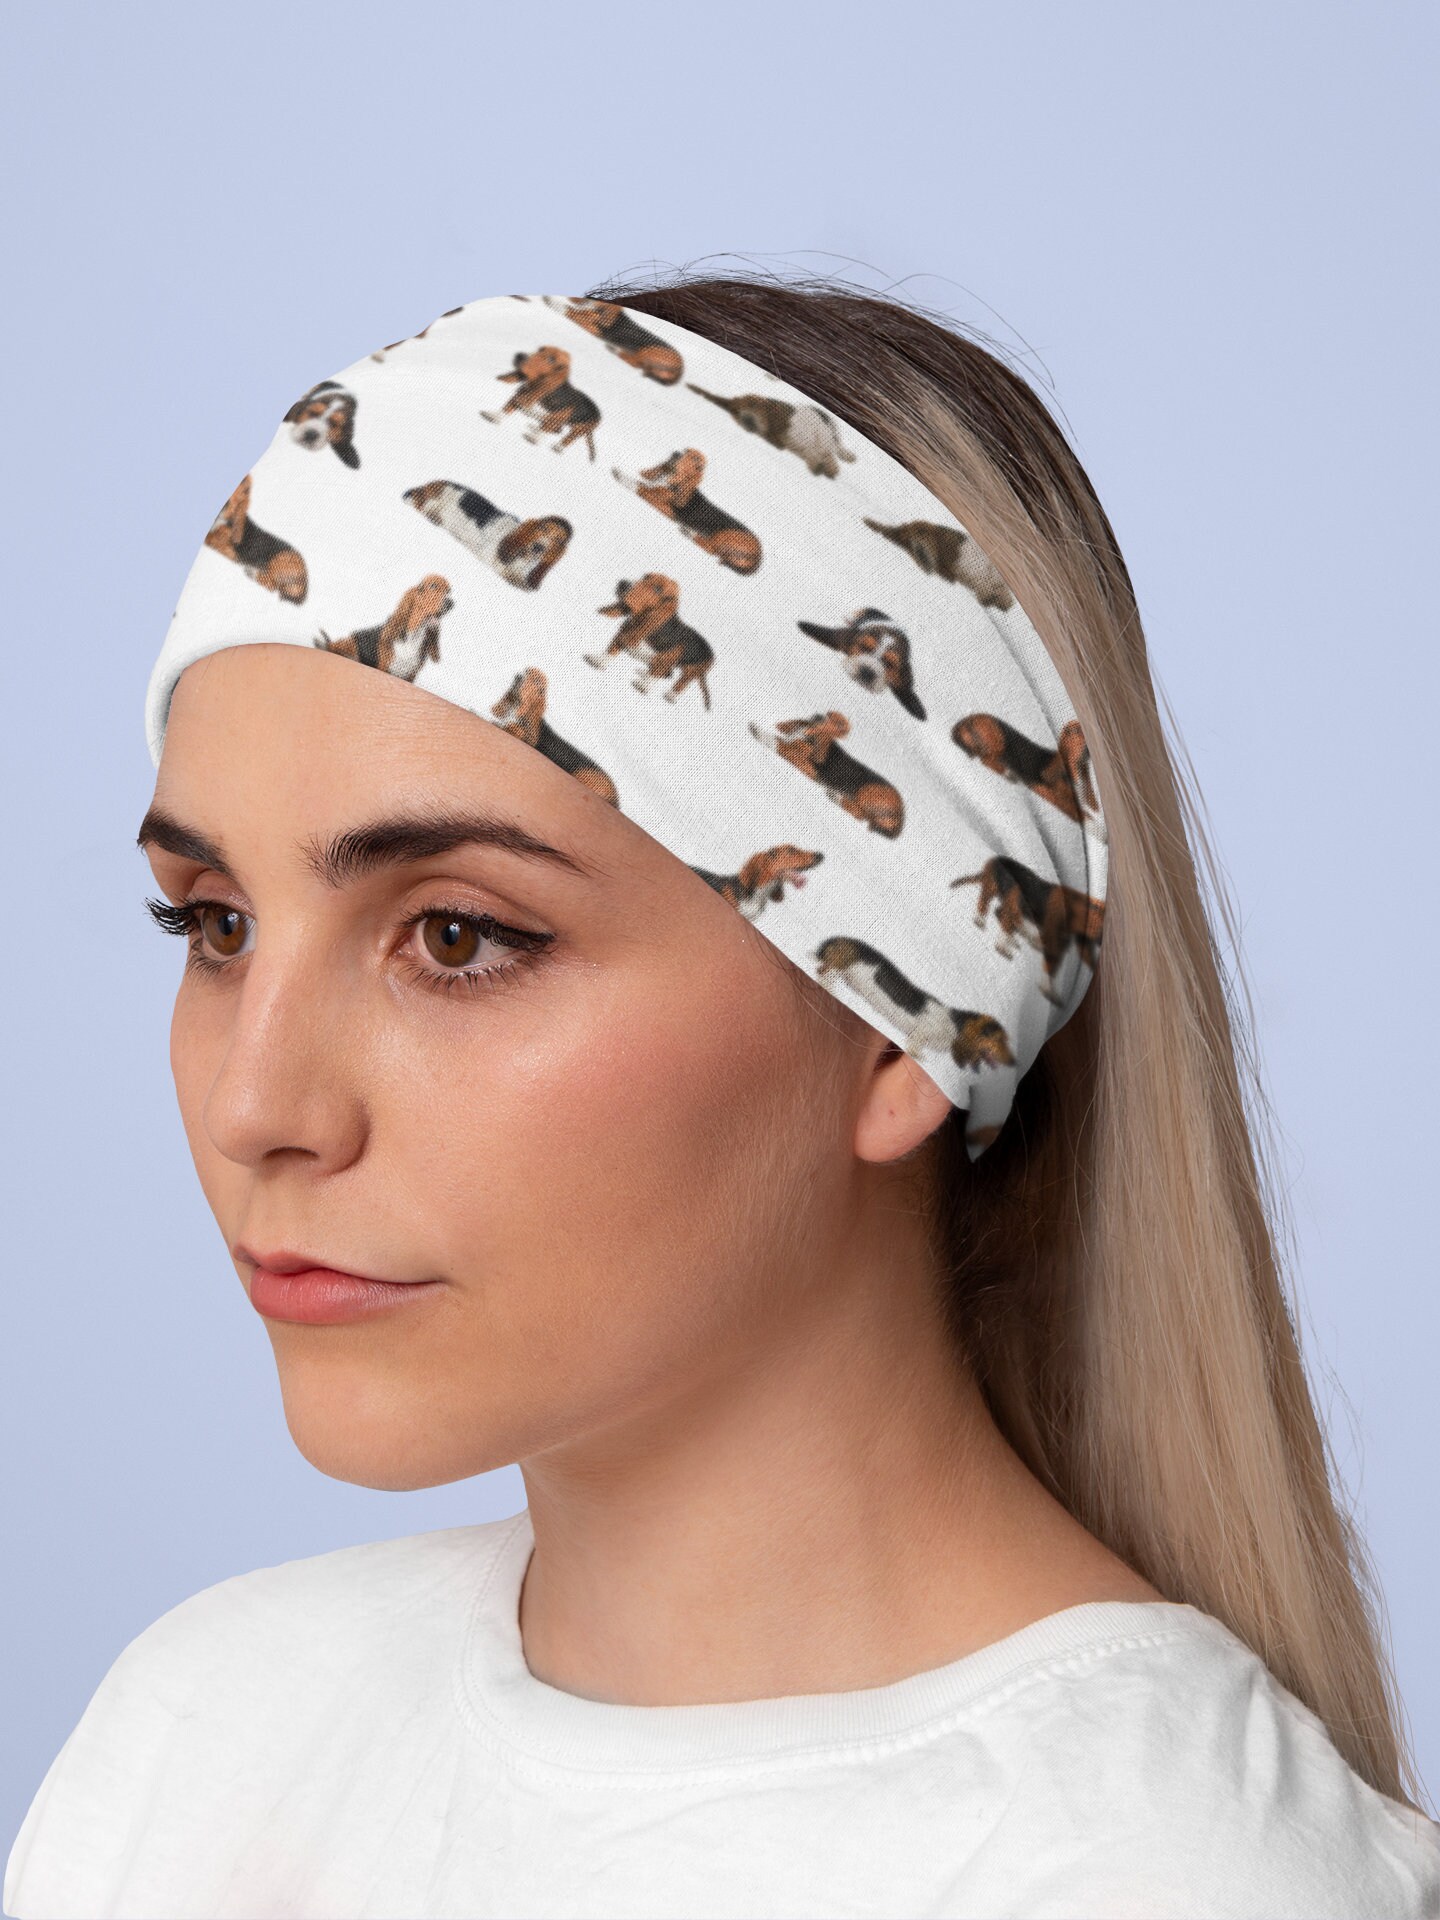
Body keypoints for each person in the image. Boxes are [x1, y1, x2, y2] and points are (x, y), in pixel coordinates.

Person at [6, 272, 1438, 1920]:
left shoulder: (1180, 1883)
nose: (256, 1103)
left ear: (906, 1021)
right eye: (214, 925)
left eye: (458, 937)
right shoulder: (207, 1737)